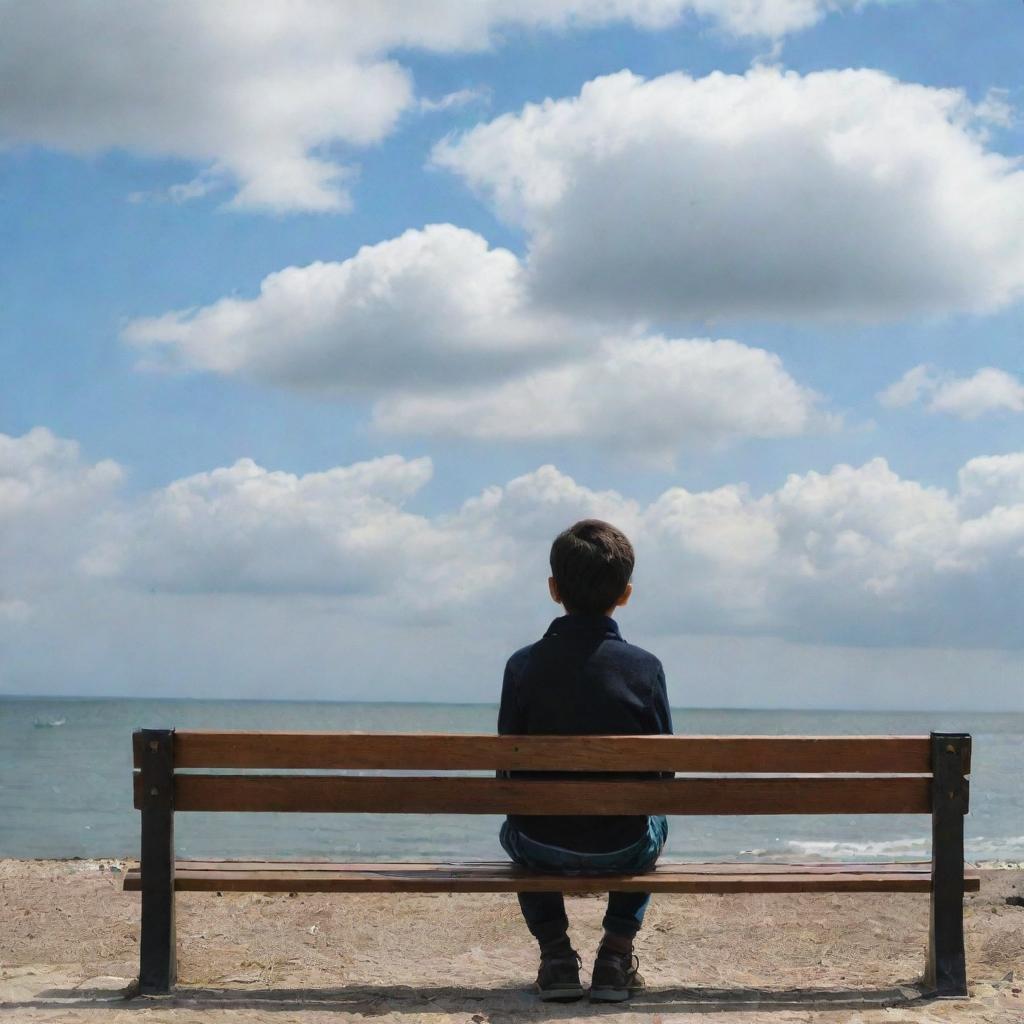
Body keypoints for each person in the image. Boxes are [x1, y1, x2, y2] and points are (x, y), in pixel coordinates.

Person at [497, 518, 673, 1002]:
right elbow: (665, 775)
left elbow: (504, 775)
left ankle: (556, 956)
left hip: (538, 844)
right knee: (652, 820)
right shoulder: (646, 669)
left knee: (520, 816)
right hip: (623, 846)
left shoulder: (522, 666)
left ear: (554, 589)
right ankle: (615, 955)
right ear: (626, 594)